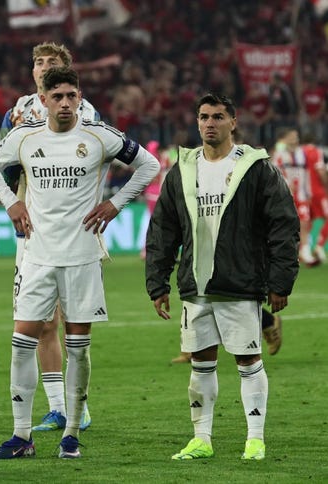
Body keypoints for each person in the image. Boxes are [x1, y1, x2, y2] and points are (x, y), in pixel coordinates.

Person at [0, 67, 160, 459]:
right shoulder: (24, 138)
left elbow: (149, 165)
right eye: (57, 95)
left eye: (72, 95)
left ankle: (72, 434)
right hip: (38, 257)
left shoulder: (100, 136)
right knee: (21, 341)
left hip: (81, 258)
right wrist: (11, 202)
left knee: (78, 347)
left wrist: (115, 203)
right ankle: (21, 435)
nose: (65, 102)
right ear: (41, 99)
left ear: (80, 98)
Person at [145, 93, 299, 461]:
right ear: (196, 122)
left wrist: (280, 282)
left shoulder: (255, 167)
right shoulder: (182, 168)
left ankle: (255, 439)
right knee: (200, 362)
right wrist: (157, 281)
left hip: (240, 283)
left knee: (248, 361)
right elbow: (163, 229)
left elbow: (283, 224)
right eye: (203, 116)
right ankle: (202, 439)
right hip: (195, 286)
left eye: (217, 116)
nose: (209, 123)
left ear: (233, 121)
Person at [0, 41, 101, 434]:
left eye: (52, 62)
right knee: (41, 322)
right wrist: (13, 202)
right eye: (38, 62)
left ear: (67, 69)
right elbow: (3, 159)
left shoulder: (83, 110)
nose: (43, 67)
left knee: (72, 323)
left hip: (72, 229)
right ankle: (58, 408)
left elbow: (101, 154)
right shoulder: (19, 110)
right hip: (32, 227)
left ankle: (78, 407)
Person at [272, 128, 316, 266]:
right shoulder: (279, 155)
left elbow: (307, 173)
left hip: (301, 195)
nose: (294, 139)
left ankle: (305, 250)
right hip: (285, 195)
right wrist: (285, 185)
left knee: (304, 222)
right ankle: (286, 254)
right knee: (286, 225)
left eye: (296, 137)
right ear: (285, 139)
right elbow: (275, 173)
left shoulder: (302, 154)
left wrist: (308, 192)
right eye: (291, 137)